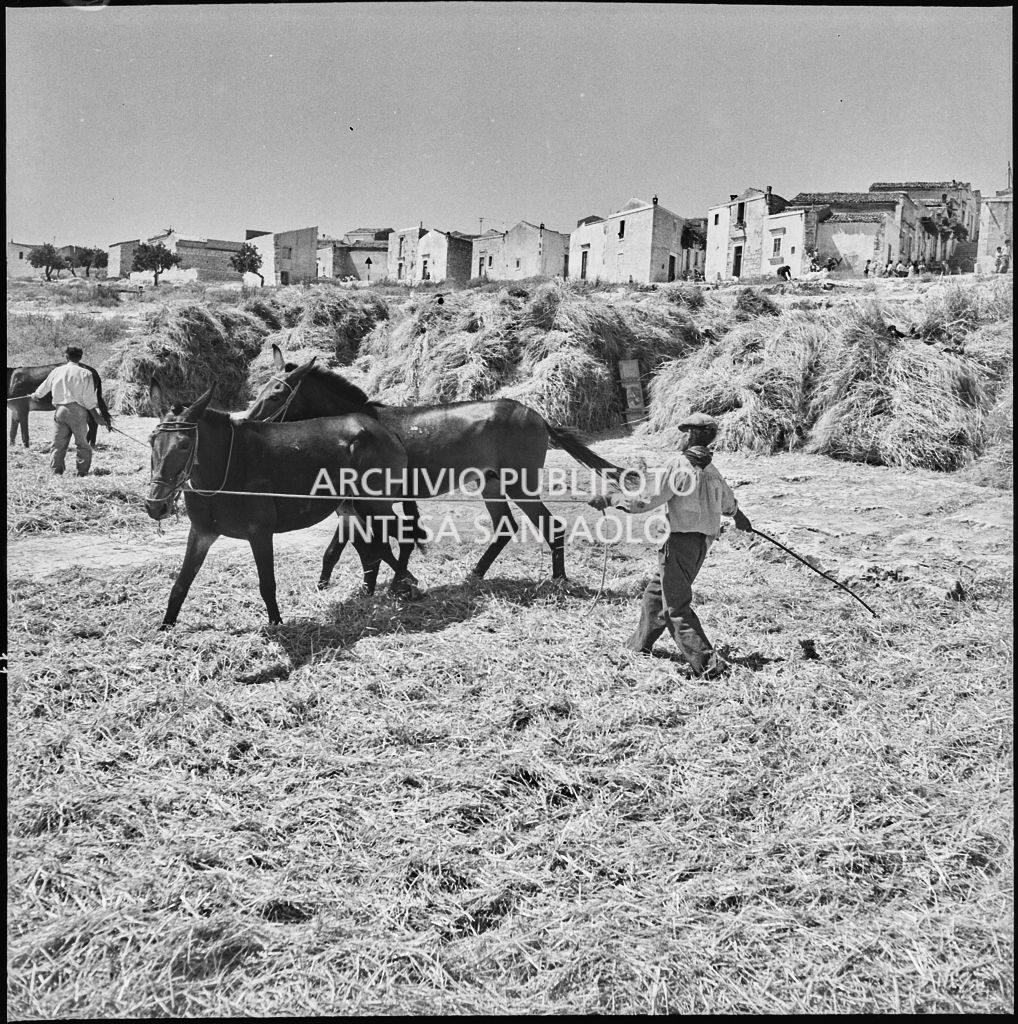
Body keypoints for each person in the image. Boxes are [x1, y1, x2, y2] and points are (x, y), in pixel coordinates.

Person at [589, 413, 753, 678]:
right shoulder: (713, 472)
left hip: (677, 543)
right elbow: (728, 504)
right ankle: (637, 646)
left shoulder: (678, 466)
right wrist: (740, 517)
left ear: (691, 435)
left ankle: (710, 666)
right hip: (700, 545)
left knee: (676, 608)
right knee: (655, 595)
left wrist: (611, 499)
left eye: (686, 433)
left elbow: (644, 501)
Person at [30, 346, 110, 476]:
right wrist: (96, 417)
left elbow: (42, 390)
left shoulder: (57, 371)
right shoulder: (86, 373)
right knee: (82, 444)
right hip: (78, 412)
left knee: (58, 444)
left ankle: (56, 472)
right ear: (80, 357)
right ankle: (82, 472)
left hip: (60, 411)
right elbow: (88, 400)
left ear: (66, 357)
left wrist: (35, 395)